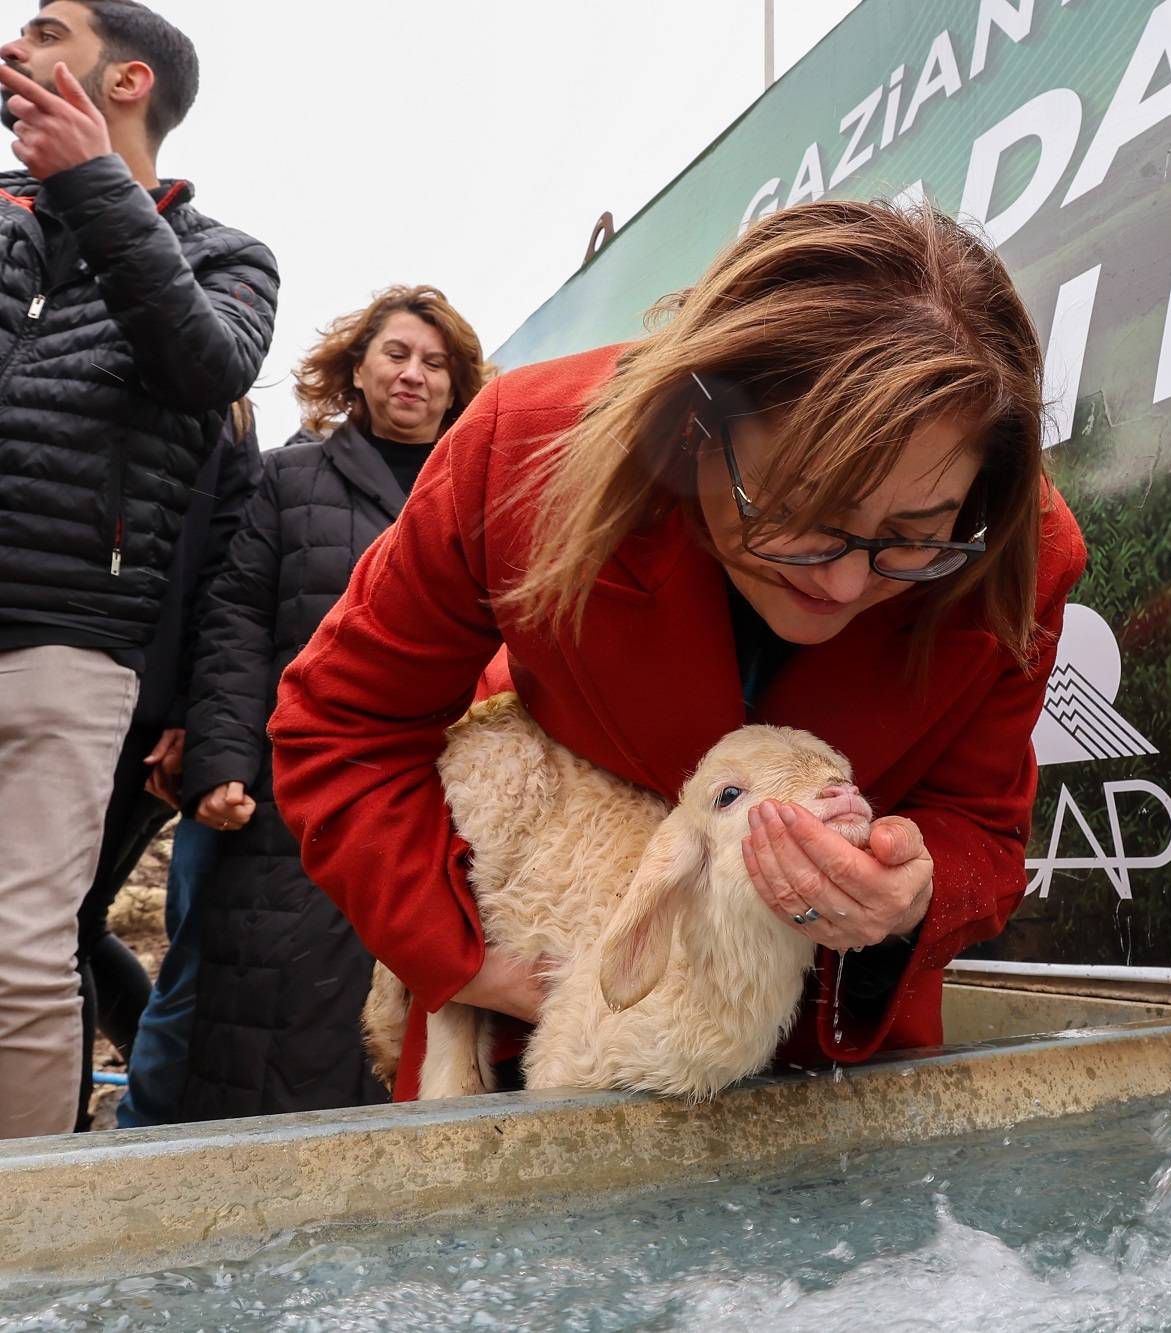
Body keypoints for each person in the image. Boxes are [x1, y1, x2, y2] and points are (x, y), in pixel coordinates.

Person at [268, 200, 1087, 1101]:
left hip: (820, 1065)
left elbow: (983, 828)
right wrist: (473, 961)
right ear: (696, 423)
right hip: (531, 1030)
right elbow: (340, 725)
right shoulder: (523, 449)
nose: (844, 582)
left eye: (913, 536)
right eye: (797, 511)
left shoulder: (1020, 554)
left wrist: (912, 894)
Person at [0, 0, 278, 1140]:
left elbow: (207, 367)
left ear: (125, 81)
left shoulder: (227, 256)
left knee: (24, 954)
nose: (14, 47)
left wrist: (91, 188)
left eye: (44, 31)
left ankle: (31, 1213)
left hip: (73, 646)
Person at [172, 286, 491, 1120]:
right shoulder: (289, 479)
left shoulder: (480, 489)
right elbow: (237, 620)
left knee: (422, 1005)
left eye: (435, 363)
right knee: (271, 1005)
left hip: (448, 792)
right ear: (357, 369)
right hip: (297, 784)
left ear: (457, 387)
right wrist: (222, 758)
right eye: (396, 353)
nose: (414, 374)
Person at [95, 399, 262, 1130]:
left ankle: (116, 1117)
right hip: (102, 687)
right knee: (69, 924)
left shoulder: (229, 425)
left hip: (152, 714)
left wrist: (191, 711)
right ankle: (145, 1093)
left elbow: (229, 585)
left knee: (64, 927)